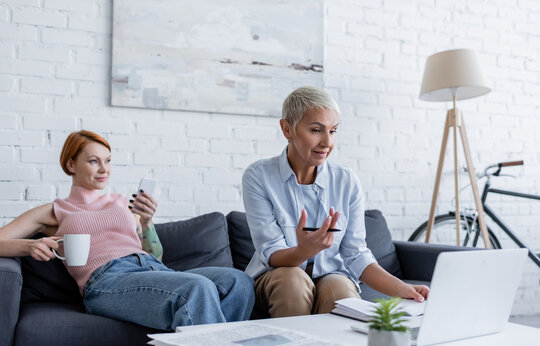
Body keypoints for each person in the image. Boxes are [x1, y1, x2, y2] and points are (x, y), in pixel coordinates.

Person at [0, 130, 254, 330]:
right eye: (93, 161)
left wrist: (146, 223)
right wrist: (30, 245)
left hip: (152, 270)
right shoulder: (56, 210)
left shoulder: (124, 204)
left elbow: (155, 255)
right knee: (196, 288)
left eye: (108, 161)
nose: (104, 169)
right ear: (71, 165)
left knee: (239, 282)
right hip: (105, 282)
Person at [242, 86, 429, 317]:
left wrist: (401, 288)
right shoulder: (259, 176)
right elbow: (272, 253)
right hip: (276, 277)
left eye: (333, 131)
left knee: (340, 289)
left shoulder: (346, 181)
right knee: (294, 280)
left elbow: (357, 254)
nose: (327, 142)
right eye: (316, 130)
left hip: (331, 276)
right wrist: (303, 250)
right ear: (287, 128)